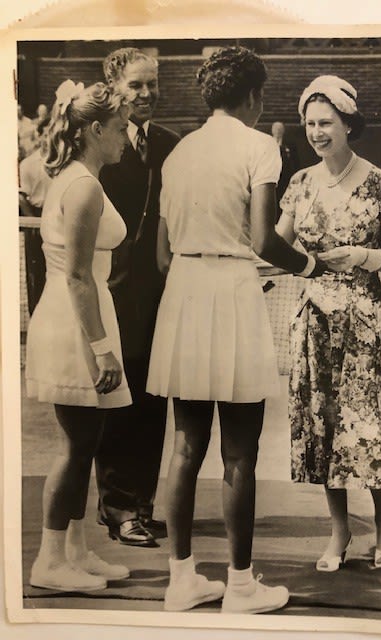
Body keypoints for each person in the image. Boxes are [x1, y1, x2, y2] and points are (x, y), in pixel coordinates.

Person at [146, 46, 325, 614]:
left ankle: (182, 581)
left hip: (185, 295)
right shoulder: (260, 146)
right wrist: (310, 266)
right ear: (251, 97)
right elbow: (264, 241)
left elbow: (161, 256)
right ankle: (241, 587)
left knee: (185, 446)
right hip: (231, 296)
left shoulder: (178, 153)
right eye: (263, 97)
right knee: (240, 454)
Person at [276, 75, 381, 573]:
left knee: (371, 427)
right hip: (315, 324)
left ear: (347, 124)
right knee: (325, 426)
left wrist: (362, 256)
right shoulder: (299, 182)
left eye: (326, 123)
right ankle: (339, 529)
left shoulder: (379, 181)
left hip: (366, 324)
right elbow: (275, 247)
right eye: (310, 123)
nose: (317, 132)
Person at [25, 79, 132, 592]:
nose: (125, 139)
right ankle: (49, 561)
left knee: (85, 442)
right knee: (74, 446)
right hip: (74, 322)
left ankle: (76, 550)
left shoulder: (76, 176)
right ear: (93, 129)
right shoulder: (84, 185)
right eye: (118, 129)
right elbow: (77, 277)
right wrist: (101, 348)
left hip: (74, 315)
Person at [95, 47, 180, 547]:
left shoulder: (171, 143)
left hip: (163, 297)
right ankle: (117, 508)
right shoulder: (100, 143)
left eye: (152, 84)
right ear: (113, 86)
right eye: (136, 85)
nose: (146, 94)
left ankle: (141, 505)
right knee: (116, 406)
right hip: (112, 295)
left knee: (152, 402)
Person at [19, 116, 52, 314]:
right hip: (36, 220)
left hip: (58, 218)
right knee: (37, 272)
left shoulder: (65, 160)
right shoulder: (28, 164)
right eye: (46, 133)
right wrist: (37, 223)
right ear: (39, 135)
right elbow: (22, 198)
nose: (50, 138)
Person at [271, 121, 298, 215]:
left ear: (283, 131)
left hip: (286, 178)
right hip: (272, 177)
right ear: (272, 131)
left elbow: (295, 162)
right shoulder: (267, 144)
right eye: (276, 129)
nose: (278, 131)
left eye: (280, 129)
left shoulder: (290, 145)